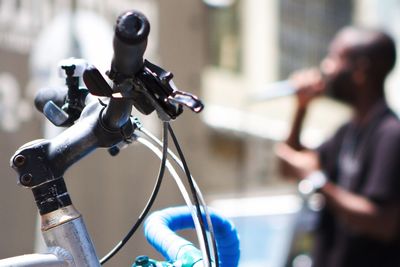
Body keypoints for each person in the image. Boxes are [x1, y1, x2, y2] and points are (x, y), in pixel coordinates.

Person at [275, 26, 400, 267]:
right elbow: (288, 165)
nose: (325, 67)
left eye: (335, 58)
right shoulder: (347, 132)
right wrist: (301, 108)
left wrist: (317, 180)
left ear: (360, 70)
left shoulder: (391, 135)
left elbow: (383, 223)